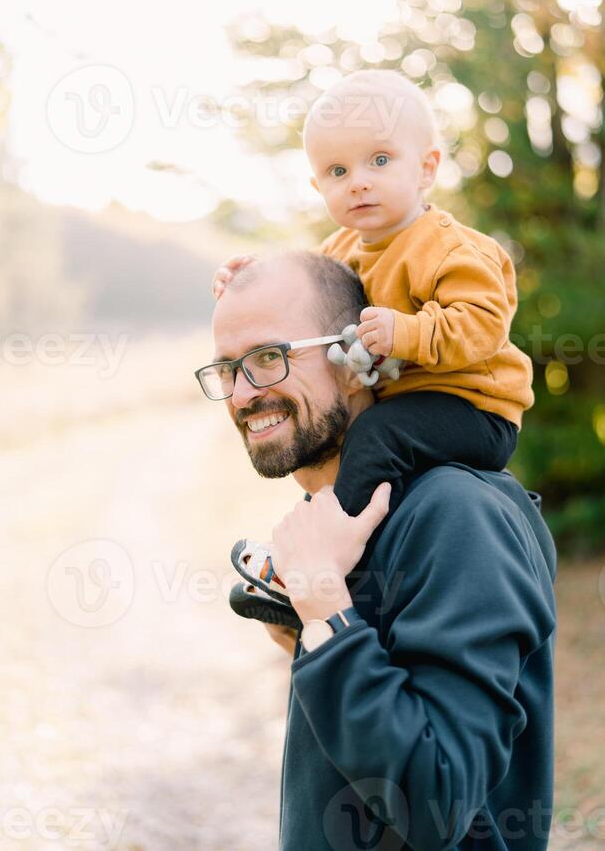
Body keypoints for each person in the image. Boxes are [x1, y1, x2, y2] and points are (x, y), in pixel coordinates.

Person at [195, 251, 557, 851]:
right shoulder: (345, 526)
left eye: (268, 358)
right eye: (227, 369)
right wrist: (312, 631)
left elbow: (436, 804)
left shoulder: (455, 515)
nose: (242, 394)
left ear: (358, 358)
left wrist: (325, 613)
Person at [213, 69, 534, 526]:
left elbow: (483, 328)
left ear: (426, 168)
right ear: (318, 187)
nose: (358, 181)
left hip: (473, 408)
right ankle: (320, 545)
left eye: (379, 160)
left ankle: (335, 547)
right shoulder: (340, 248)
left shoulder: (452, 248)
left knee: (374, 439)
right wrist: (246, 276)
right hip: (404, 406)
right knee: (338, 448)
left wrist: (404, 332)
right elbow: (301, 287)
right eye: (338, 171)